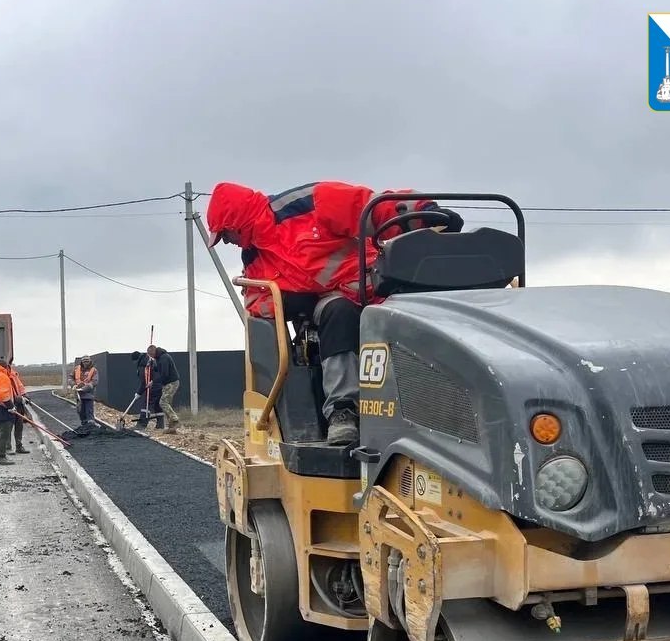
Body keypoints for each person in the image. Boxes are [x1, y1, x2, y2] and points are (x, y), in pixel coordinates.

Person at [205, 180, 462, 445]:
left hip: (375, 285)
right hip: (334, 302)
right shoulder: (255, 257)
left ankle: (449, 406)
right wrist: (299, 300)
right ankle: (343, 412)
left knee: (431, 307)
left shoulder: (309, 203)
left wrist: (424, 212)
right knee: (337, 312)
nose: (229, 243)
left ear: (236, 222)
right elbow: (257, 301)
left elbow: (371, 208)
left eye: (226, 235)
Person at [147, 344, 180, 433]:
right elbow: (159, 369)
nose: (151, 357)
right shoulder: (159, 358)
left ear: (153, 352)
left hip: (171, 382)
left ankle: (175, 419)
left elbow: (164, 374)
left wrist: (153, 381)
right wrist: (153, 365)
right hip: (167, 383)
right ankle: (171, 427)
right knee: (167, 404)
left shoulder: (164, 358)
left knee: (163, 402)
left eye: (151, 355)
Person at [3, 358, 30, 454]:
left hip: (18, 404)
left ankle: (19, 446)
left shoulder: (13, 374)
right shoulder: (2, 377)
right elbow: (5, 392)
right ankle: (7, 447)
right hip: (7, 405)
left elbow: (19, 386)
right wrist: (16, 398)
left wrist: (24, 395)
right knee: (8, 426)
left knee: (19, 425)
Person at [130, 350, 161, 429]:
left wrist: (139, 393)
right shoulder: (148, 360)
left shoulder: (142, 366)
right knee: (157, 405)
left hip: (152, 386)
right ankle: (160, 425)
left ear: (135, 360)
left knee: (146, 404)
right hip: (159, 385)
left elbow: (144, 382)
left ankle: (142, 425)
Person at [72, 356, 98, 424]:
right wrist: (73, 384)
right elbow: (70, 378)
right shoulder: (76, 369)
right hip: (79, 396)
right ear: (82, 362)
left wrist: (84, 388)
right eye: (84, 361)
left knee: (89, 412)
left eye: (87, 361)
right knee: (81, 412)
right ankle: (84, 426)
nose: (86, 363)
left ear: (90, 361)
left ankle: (90, 427)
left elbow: (94, 382)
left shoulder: (94, 370)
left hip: (89, 395)